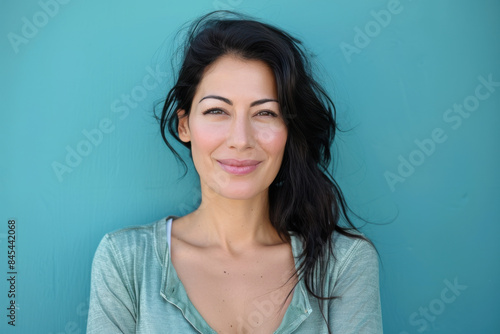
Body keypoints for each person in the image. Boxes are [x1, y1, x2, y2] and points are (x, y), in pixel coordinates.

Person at [87, 11, 382, 334]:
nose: (241, 140)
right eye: (217, 110)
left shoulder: (344, 263)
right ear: (184, 125)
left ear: (289, 128)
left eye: (266, 113)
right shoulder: (126, 261)